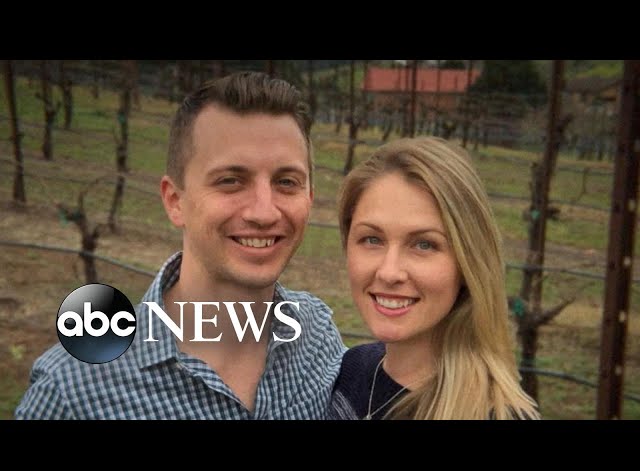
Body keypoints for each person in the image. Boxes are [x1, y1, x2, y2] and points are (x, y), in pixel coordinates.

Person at [15, 71, 346, 419]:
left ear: (309, 198)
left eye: (287, 182)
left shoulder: (317, 337)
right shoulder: (72, 392)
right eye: (231, 181)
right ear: (175, 201)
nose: (264, 212)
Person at [328, 136, 540, 420]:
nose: (389, 272)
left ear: (467, 261)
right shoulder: (349, 371)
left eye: (424, 244)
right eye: (372, 239)